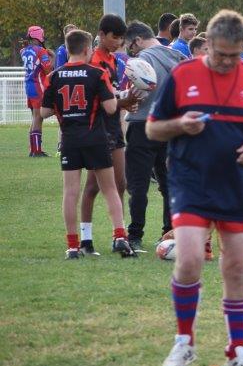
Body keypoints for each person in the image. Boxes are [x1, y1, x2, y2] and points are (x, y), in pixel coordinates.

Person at [148, 9, 243, 366]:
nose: (228, 62)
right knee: (191, 258)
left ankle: (238, 350)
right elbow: (152, 129)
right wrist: (180, 124)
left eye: (235, 55)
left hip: (237, 185)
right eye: (221, 54)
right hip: (191, 181)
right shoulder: (183, 75)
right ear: (207, 43)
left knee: (237, 267)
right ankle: (184, 343)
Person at [41, 29, 135, 259]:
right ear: (86, 49)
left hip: (70, 140)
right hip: (95, 138)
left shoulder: (54, 76)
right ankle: (120, 236)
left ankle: (73, 247)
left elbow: (43, 112)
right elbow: (111, 108)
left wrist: (64, 108)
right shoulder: (97, 73)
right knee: (110, 188)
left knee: (70, 192)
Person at [80, 14, 139, 255]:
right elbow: (97, 97)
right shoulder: (94, 61)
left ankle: (119, 237)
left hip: (113, 125)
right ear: (102, 35)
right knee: (93, 186)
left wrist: (126, 97)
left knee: (120, 182)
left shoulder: (113, 60)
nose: (118, 42)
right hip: (98, 126)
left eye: (121, 38)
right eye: (115, 37)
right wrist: (123, 101)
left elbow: (110, 92)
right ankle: (86, 240)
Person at [123, 21, 185, 251]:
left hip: (143, 125)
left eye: (130, 46)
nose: (131, 50)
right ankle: (170, 232)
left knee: (138, 184)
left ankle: (135, 235)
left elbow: (136, 93)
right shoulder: (179, 56)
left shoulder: (141, 60)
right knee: (169, 183)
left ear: (137, 40)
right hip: (172, 127)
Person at [21, 25, 53, 157]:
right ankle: (37, 151)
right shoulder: (41, 51)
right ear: (39, 36)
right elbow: (47, 69)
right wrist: (51, 57)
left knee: (34, 118)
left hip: (28, 85)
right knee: (38, 118)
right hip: (38, 86)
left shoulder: (23, 50)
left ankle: (33, 149)